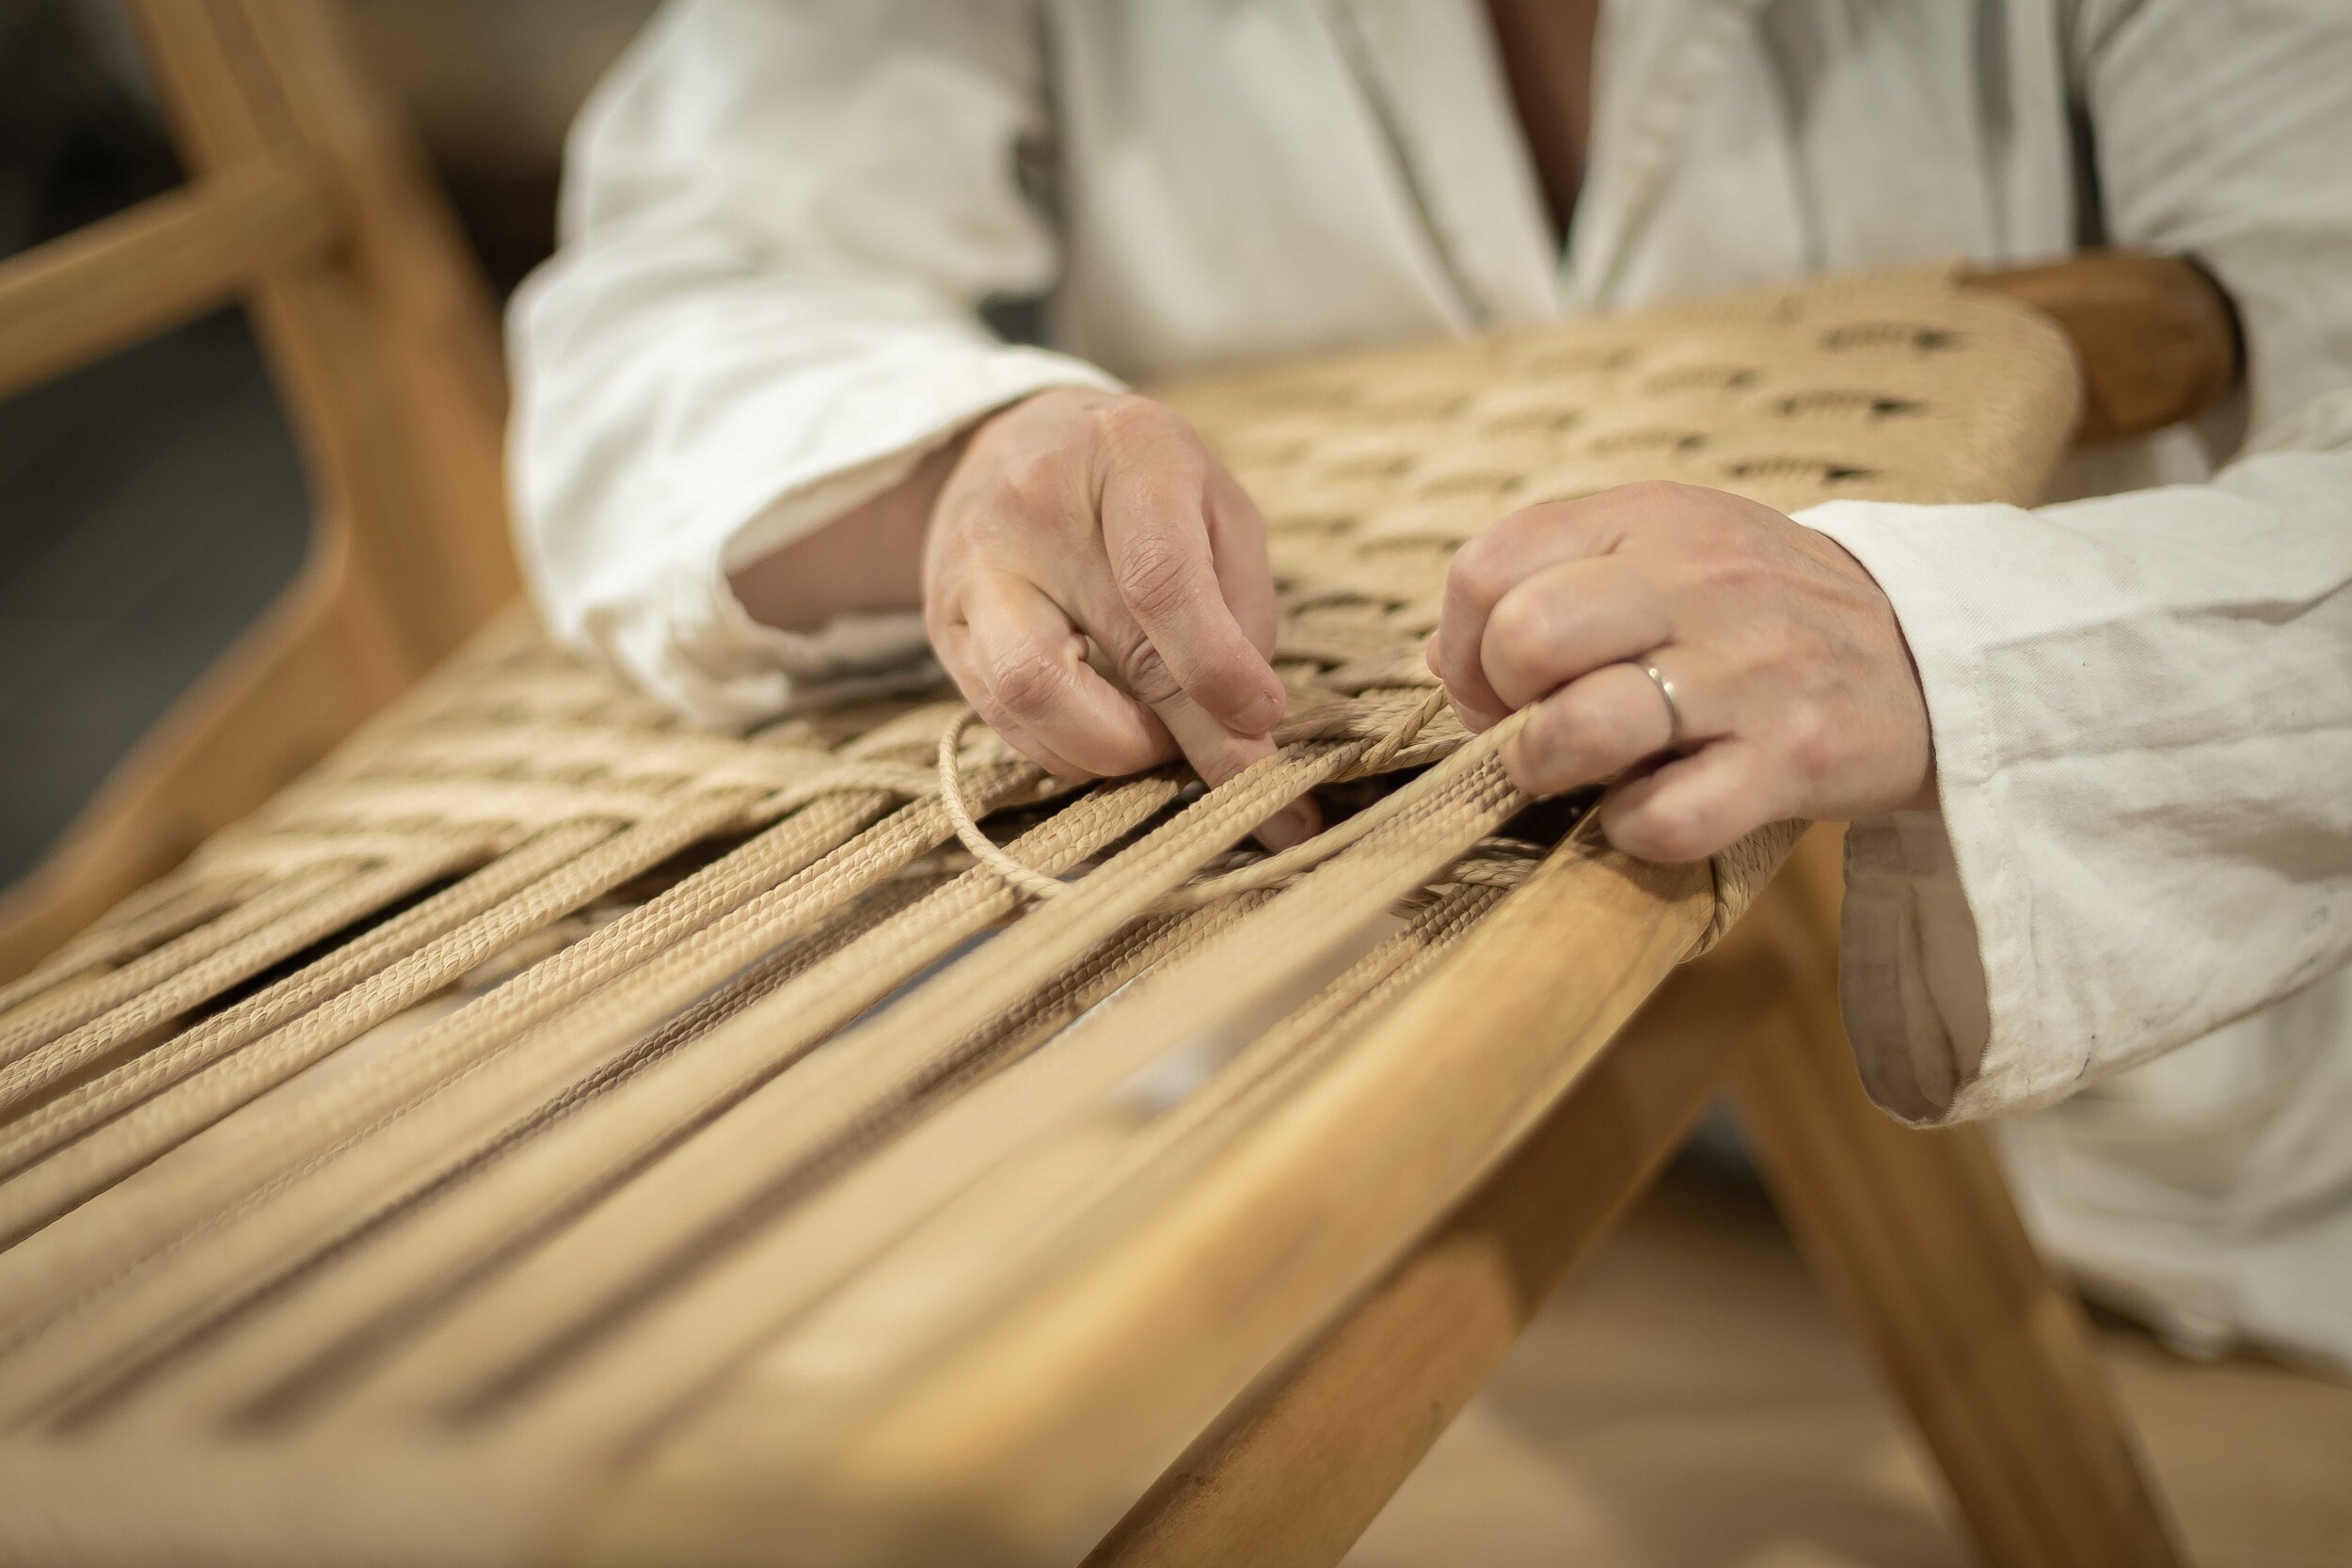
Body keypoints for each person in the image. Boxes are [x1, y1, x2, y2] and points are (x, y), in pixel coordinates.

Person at [508, 1, 2352, 1368]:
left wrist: (1939, 647)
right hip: (1314, 1182)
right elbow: (673, 292)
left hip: (2112, 1255)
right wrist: (959, 462)